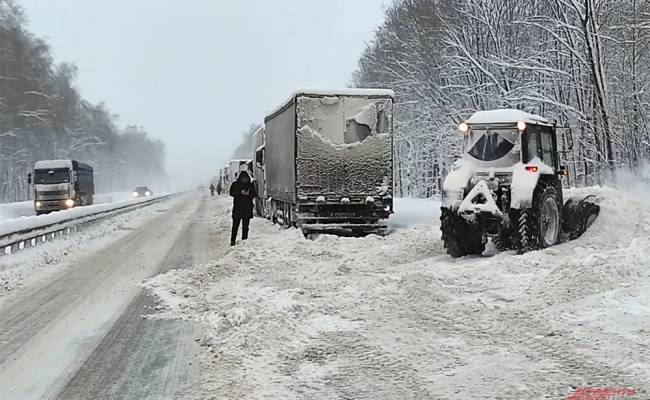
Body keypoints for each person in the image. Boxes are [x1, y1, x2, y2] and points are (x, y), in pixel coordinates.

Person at [229, 170, 256, 246]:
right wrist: (240, 193)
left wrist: (248, 194)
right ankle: (232, 241)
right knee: (235, 226)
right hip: (238, 209)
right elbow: (231, 193)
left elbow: (254, 194)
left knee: (245, 226)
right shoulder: (235, 184)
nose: (245, 180)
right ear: (240, 178)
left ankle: (244, 240)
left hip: (247, 209)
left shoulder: (250, 185)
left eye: (246, 178)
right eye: (243, 178)